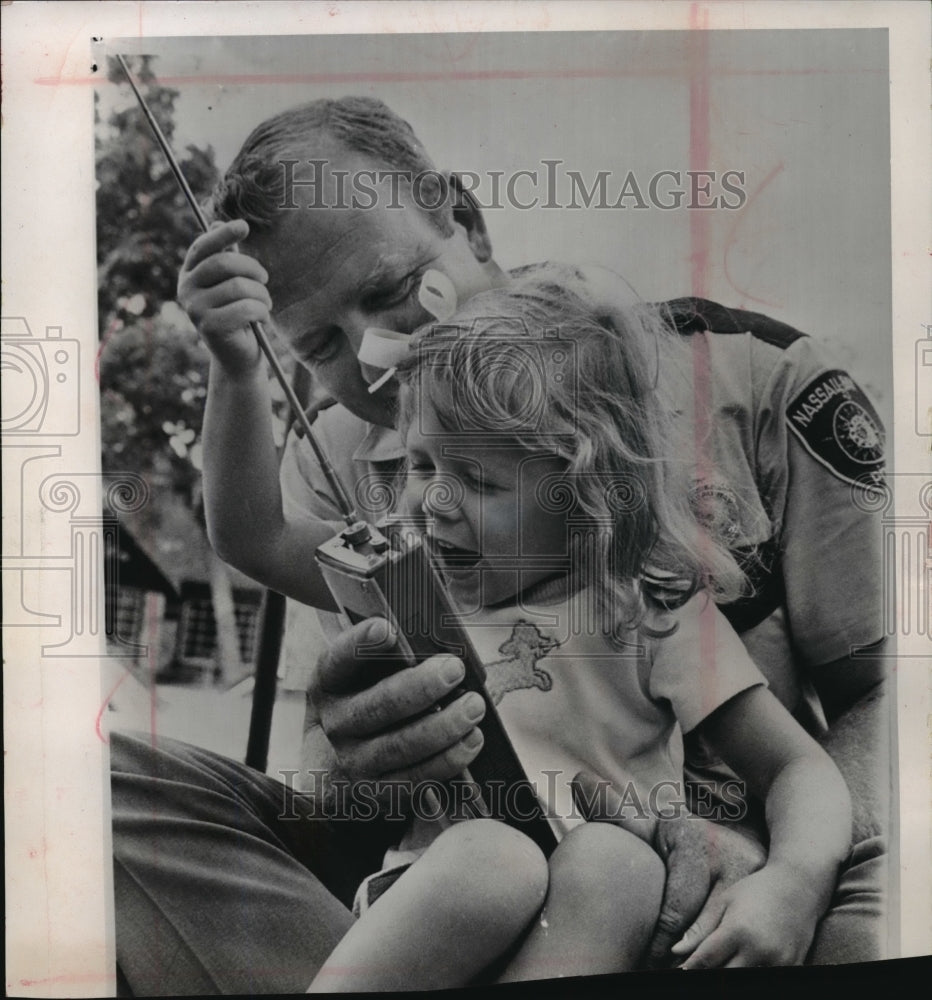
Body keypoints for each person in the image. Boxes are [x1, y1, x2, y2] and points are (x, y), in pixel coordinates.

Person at [111, 96, 888, 994]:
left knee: (655, 879)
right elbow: (253, 539)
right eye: (317, 344)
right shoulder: (411, 560)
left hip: (668, 898)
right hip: (439, 901)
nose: (373, 358)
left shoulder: (740, 417)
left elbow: (859, 717)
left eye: (388, 291)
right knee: (96, 777)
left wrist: (790, 876)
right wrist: (236, 366)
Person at [303, 273, 852, 990]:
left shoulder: (647, 610)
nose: (432, 501)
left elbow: (798, 768)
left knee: (616, 862)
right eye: (421, 464)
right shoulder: (415, 601)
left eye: (479, 481)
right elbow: (256, 538)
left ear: (585, 494)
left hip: (598, 930)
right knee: (500, 861)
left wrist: (795, 884)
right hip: (430, 920)